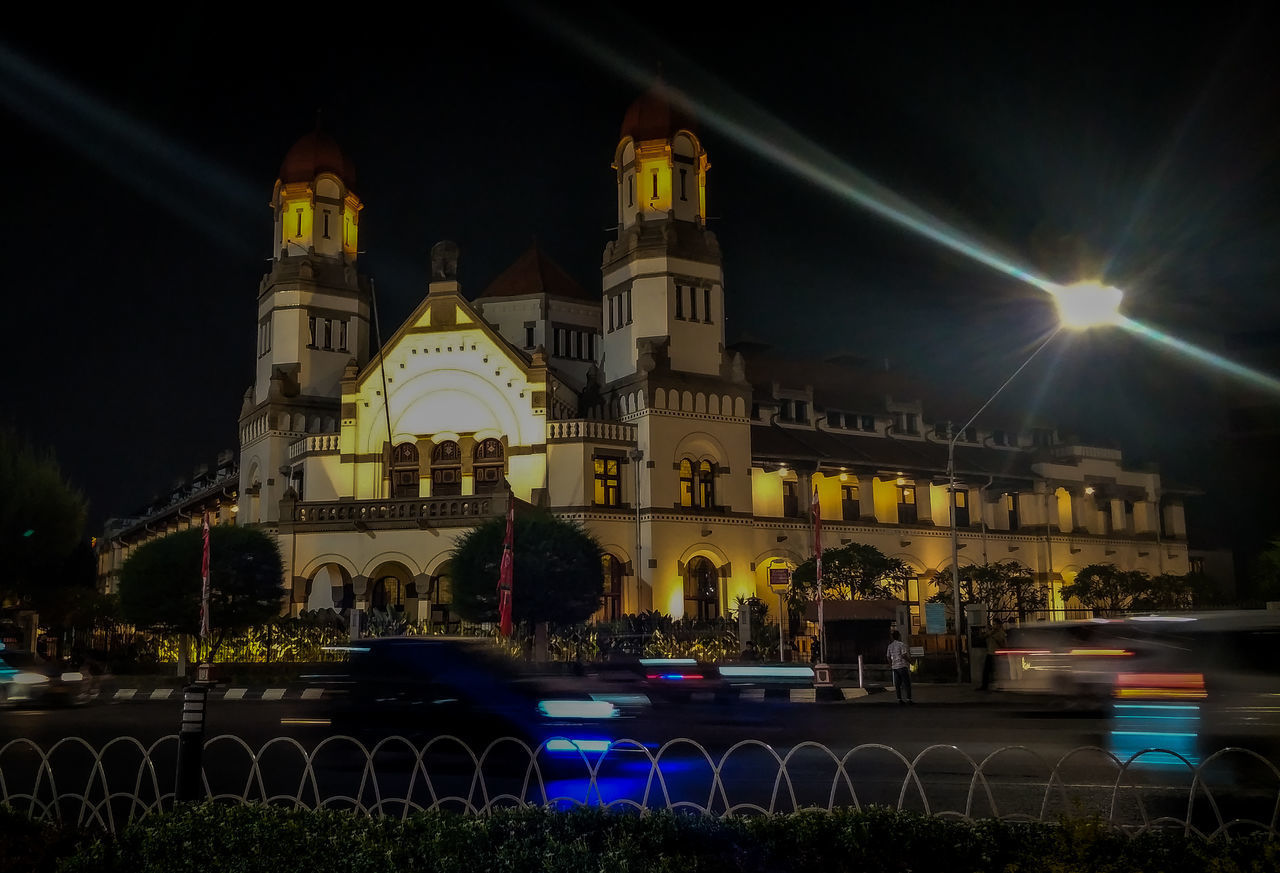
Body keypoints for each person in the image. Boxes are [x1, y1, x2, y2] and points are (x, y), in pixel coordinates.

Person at [979, 619, 1007, 691]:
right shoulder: (991, 632)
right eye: (993, 624)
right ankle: (984, 686)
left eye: (995, 624)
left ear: (999, 625)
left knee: (997, 671)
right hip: (990, 653)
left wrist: (994, 637)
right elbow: (983, 637)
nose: (994, 626)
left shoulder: (1001, 633)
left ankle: (1000, 686)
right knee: (986, 671)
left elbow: (1003, 644)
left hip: (996, 654)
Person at [887, 630, 913, 704]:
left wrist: (891, 664)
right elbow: (904, 655)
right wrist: (911, 662)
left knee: (897, 684)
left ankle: (899, 699)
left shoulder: (890, 646)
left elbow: (888, 657)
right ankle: (908, 699)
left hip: (895, 667)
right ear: (899, 636)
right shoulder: (901, 644)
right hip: (902, 666)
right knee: (906, 683)